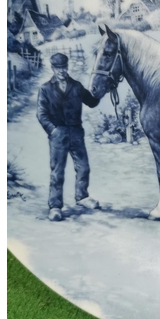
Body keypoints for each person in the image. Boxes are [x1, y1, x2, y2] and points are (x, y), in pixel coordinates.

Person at [37, 53, 101, 221]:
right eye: (58, 68)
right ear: (53, 69)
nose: (62, 71)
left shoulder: (77, 86)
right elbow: (41, 114)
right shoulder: (45, 89)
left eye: (64, 67)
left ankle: (82, 197)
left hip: (76, 132)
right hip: (58, 134)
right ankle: (55, 206)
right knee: (57, 172)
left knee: (84, 167)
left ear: (67, 67)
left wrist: (100, 90)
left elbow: (92, 102)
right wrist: (52, 130)